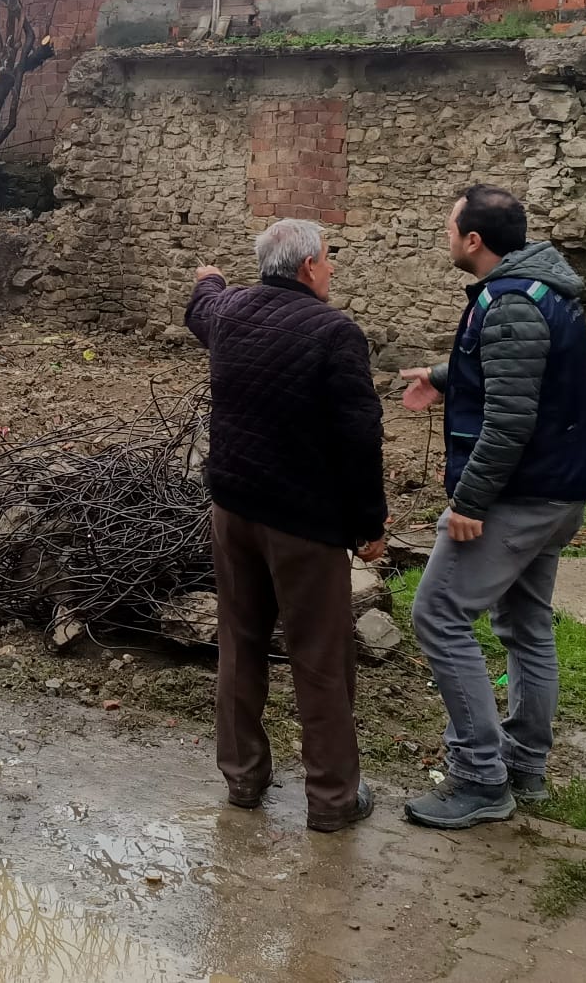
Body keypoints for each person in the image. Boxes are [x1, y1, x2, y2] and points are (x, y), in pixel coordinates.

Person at [397, 185, 586, 830]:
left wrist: (471, 501)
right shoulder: (534, 290)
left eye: (449, 226)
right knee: (525, 624)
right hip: (557, 492)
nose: (445, 236)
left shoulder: (511, 302)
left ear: (473, 240)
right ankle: (524, 766)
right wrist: (441, 377)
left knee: (437, 614)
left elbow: (511, 416)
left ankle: (478, 778)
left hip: (521, 496)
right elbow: (519, 372)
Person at [185, 218, 387, 832]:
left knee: (240, 644)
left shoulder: (230, 313)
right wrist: (369, 523)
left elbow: (203, 306)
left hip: (233, 511)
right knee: (321, 659)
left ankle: (244, 779)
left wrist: (209, 278)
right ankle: (331, 800)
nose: (331, 269)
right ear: (306, 267)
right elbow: (359, 440)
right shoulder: (335, 333)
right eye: (328, 260)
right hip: (303, 526)